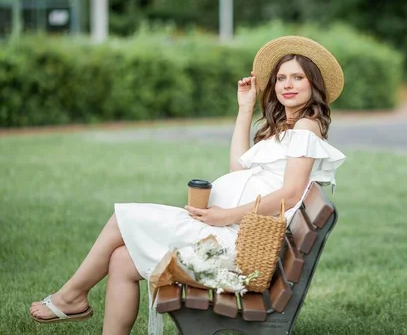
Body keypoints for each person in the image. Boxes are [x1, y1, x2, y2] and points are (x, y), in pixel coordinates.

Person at [28, 36, 346, 334]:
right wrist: (245, 108)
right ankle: (75, 300)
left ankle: (71, 297)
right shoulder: (286, 128)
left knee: (122, 218)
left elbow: (290, 194)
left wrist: (226, 215)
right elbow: (239, 167)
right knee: (121, 260)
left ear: (313, 84)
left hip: (235, 248)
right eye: (281, 78)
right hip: (226, 233)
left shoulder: (307, 125)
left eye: (297, 77)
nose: (287, 85)